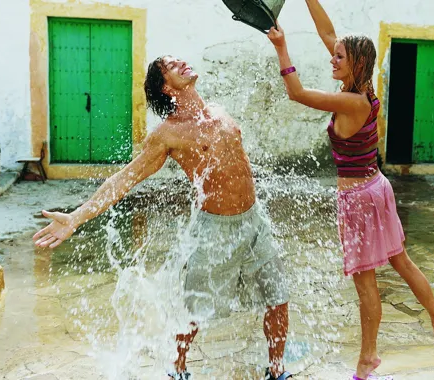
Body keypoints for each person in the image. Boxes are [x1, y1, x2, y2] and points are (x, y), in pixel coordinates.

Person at [33, 55, 293, 380]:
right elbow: (123, 179)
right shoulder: (168, 135)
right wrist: (76, 217)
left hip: (254, 221)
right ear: (166, 87)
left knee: (278, 297)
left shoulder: (219, 111)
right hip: (215, 230)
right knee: (195, 310)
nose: (181, 62)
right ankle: (177, 368)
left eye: (178, 59)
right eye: (171, 65)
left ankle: (277, 369)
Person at [266, 2, 434, 379]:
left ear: (355, 63)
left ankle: (368, 357)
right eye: (334, 55)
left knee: (365, 280)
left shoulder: (352, 101)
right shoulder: (362, 88)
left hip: (359, 199)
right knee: (401, 261)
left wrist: (281, 47)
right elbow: (327, 34)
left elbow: (297, 93)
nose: (332, 59)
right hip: (376, 187)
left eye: (339, 57)